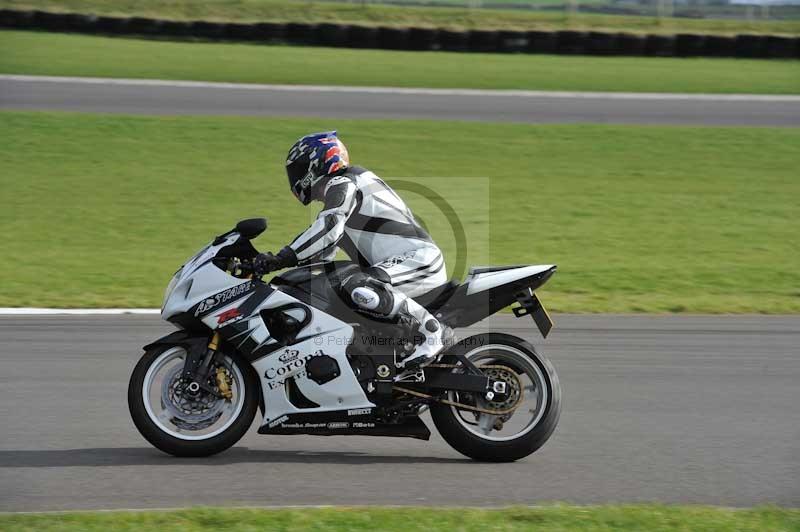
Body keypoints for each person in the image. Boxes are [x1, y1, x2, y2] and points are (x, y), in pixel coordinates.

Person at [254, 131, 450, 370]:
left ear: (317, 163)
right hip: (396, 265)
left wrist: (280, 258)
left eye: (299, 169)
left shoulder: (345, 181)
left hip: (419, 261)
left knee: (358, 286)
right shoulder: (340, 194)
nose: (295, 177)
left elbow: (327, 230)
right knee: (338, 288)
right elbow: (322, 255)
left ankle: (431, 332)